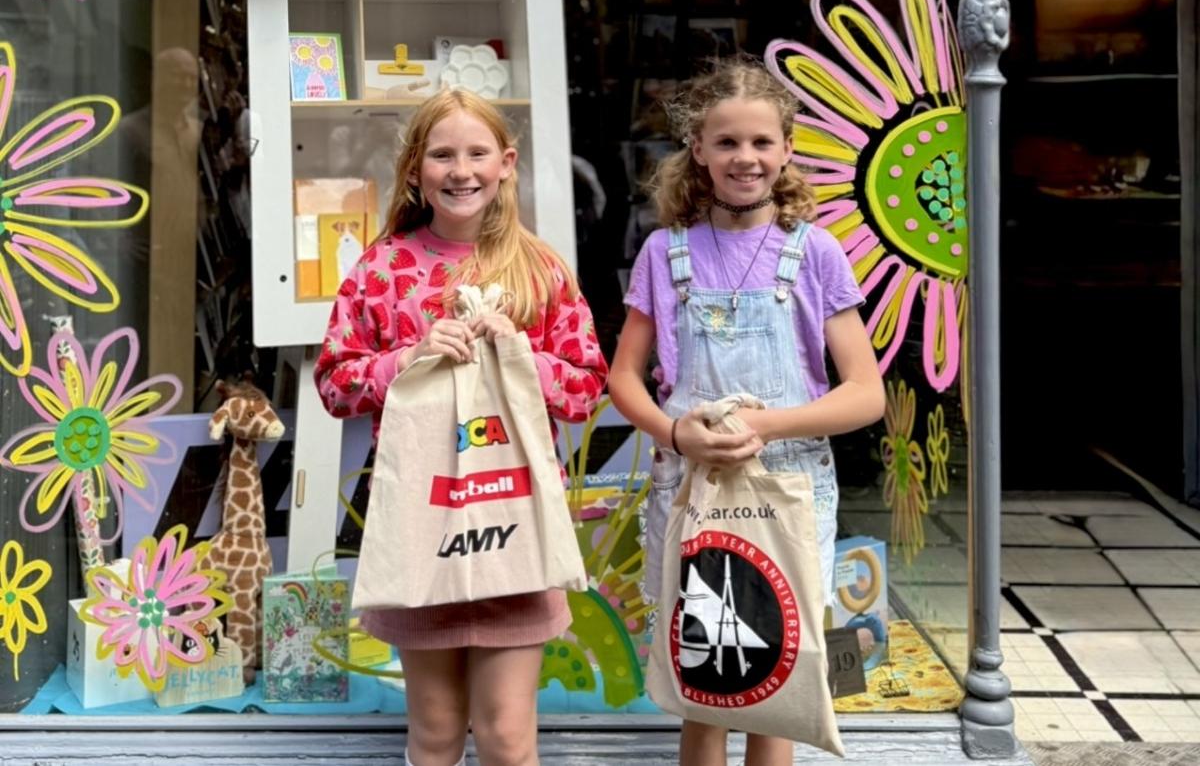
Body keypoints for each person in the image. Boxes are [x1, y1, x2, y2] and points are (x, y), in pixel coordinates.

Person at [314, 89, 607, 766]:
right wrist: (405, 359)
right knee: (438, 731)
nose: (461, 169)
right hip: (422, 525)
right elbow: (334, 382)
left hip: (515, 523)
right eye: (442, 154)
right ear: (414, 169)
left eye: (477, 153)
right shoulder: (382, 270)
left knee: (507, 735)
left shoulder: (540, 270)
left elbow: (586, 385)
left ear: (506, 163)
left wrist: (522, 354)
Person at [607, 58, 885, 766]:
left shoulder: (815, 254)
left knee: (775, 686)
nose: (746, 158)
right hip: (694, 494)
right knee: (705, 684)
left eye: (762, 143)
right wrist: (675, 431)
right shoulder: (665, 253)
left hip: (789, 492)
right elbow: (623, 380)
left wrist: (766, 425)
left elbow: (865, 393)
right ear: (697, 149)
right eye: (727, 142)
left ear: (788, 148)